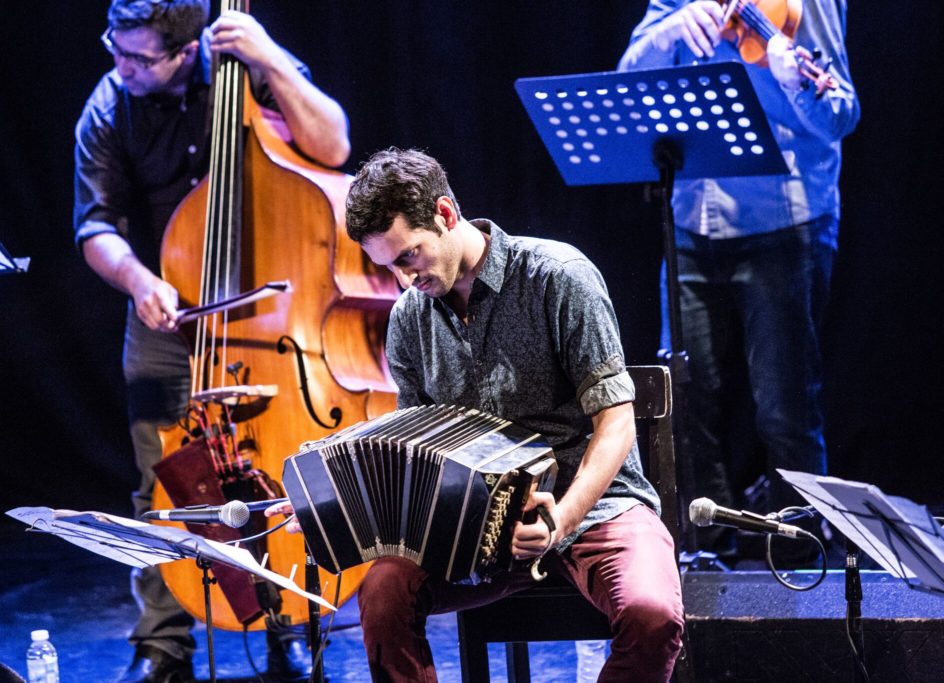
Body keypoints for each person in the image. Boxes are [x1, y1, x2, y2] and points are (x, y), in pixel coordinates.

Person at [271, 148, 684, 682]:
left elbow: (616, 421)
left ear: (445, 213)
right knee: (383, 595)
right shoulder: (409, 319)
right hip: (468, 527)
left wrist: (560, 518)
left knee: (653, 615)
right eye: (389, 266)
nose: (404, 279)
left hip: (593, 506)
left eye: (409, 256)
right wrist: (333, 504)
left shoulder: (558, 276)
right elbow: (410, 454)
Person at [73, 1, 350, 681]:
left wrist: (270, 57)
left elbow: (334, 147)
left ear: (184, 50)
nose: (121, 65)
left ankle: (287, 624)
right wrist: (139, 281)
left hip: (269, 314)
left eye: (139, 57)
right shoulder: (109, 103)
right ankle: (163, 644)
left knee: (278, 475)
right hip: (168, 308)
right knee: (162, 481)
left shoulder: (245, 67)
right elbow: (94, 225)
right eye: (115, 48)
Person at [618, 1, 859, 560]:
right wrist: (671, 30)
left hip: (783, 221)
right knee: (684, 400)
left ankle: (800, 556)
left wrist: (793, 81)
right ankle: (706, 550)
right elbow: (629, 73)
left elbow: (841, 112)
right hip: (691, 218)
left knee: (784, 408)